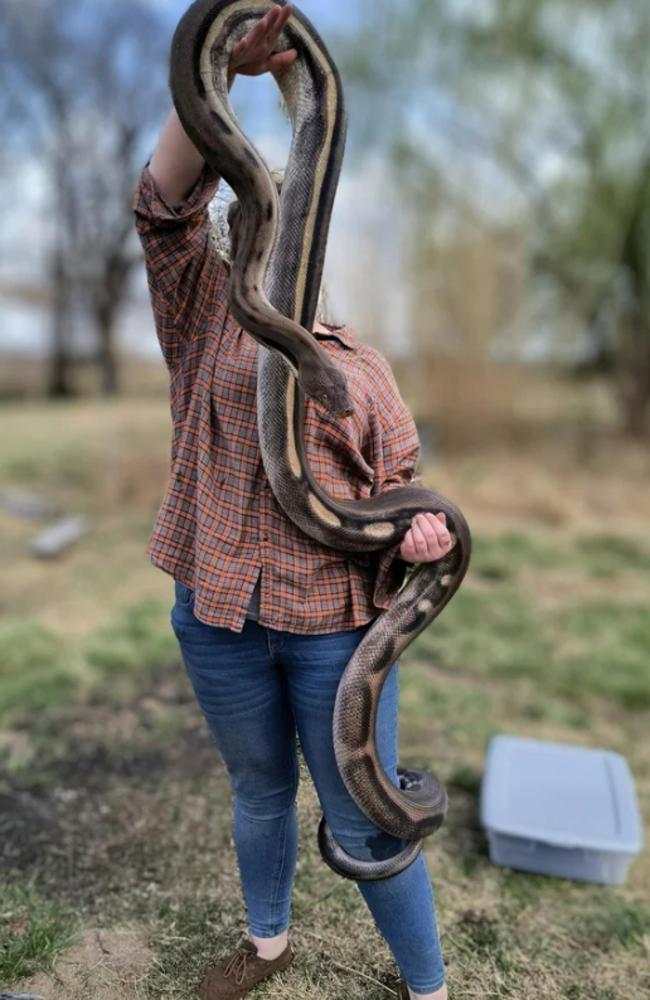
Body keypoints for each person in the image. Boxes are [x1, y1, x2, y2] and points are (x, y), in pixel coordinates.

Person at [132, 5, 453, 999]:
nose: (269, 260)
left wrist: (421, 532)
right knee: (259, 791)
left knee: (367, 810)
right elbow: (159, 204)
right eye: (247, 247)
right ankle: (266, 946)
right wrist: (216, 77)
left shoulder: (362, 366)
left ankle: (428, 985)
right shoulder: (204, 323)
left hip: (333, 631)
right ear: (237, 249)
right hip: (220, 618)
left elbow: (399, 494)